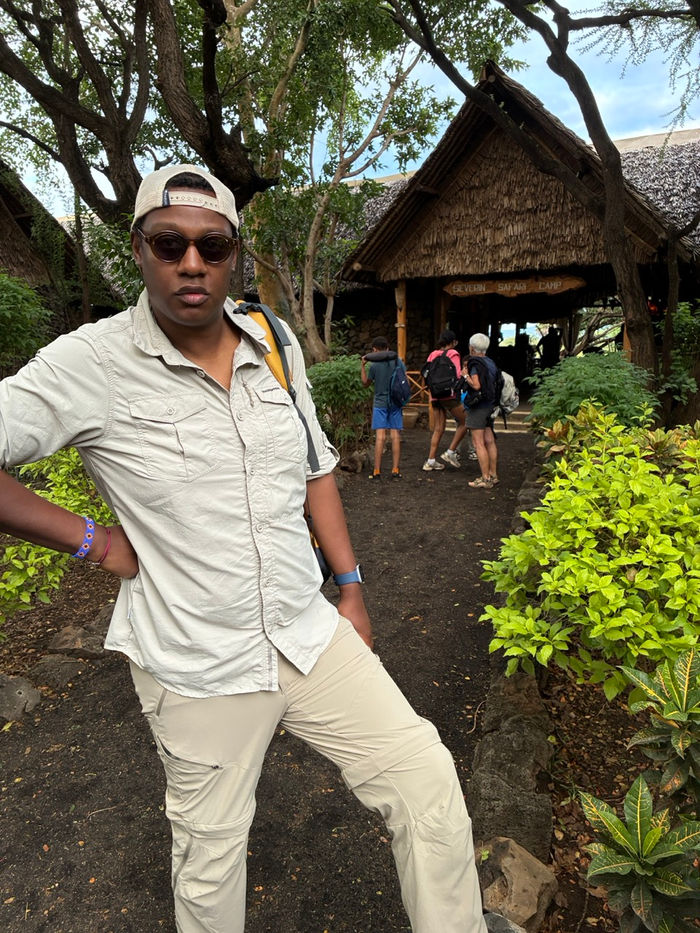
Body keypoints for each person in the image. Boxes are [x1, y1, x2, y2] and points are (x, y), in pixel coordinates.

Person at [0, 164, 487, 933]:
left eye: (213, 245)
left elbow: (315, 469)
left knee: (425, 778)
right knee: (210, 864)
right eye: (170, 243)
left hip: (306, 630)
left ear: (234, 254)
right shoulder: (91, 363)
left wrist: (351, 587)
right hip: (198, 662)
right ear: (139, 249)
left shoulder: (273, 338)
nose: (192, 262)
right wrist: (93, 540)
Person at [422, 329, 469, 472]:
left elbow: (426, 374)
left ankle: (430, 461)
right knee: (466, 421)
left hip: (435, 395)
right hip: (448, 395)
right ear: (453, 342)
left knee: (438, 428)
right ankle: (450, 451)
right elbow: (457, 374)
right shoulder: (453, 353)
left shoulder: (432, 354)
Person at [360, 336, 403, 479]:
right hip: (395, 402)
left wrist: (363, 366)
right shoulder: (398, 362)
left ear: (374, 350)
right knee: (395, 435)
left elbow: (365, 383)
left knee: (380, 436)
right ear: (387, 347)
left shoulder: (374, 366)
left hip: (380, 403)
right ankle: (395, 470)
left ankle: (377, 471)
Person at [463, 333, 499, 490]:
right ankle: (493, 474)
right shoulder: (490, 362)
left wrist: (465, 376)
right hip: (490, 405)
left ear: (471, 348)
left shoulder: (474, 364)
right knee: (489, 440)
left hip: (478, 406)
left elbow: (476, 385)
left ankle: (485, 478)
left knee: (478, 443)